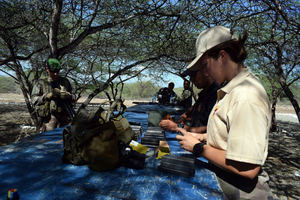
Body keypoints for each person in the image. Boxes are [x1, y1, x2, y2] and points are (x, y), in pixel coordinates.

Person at [176, 26, 273, 199]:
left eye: (205, 65)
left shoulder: (245, 96)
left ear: (222, 56)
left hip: (241, 191)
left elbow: (248, 168)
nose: (205, 72)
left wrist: (197, 147)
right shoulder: (231, 90)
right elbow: (230, 132)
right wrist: (204, 137)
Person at [31, 58, 75, 132]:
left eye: (57, 71)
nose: (56, 74)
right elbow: (33, 100)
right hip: (49, 120)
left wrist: (68, 96)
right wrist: (47, 96)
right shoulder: (41, 83)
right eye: (53, 71)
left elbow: (73, 96)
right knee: (50, 140)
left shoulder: (65, 82)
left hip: (65, 117)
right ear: (47, 69)